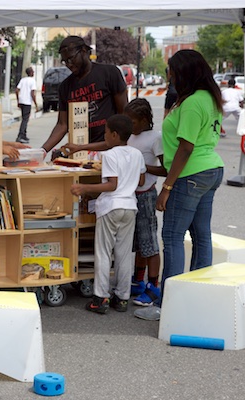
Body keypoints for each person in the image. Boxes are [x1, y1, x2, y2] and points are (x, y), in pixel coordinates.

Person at [135, 49, 224, 321]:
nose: (169, 75)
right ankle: (198, 298)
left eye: (171, 70)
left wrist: (167, 187)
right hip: (210, 169)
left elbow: (186, 147)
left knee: (172, 237)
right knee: (201, 235)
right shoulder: (208, 97)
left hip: (191, 173)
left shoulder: (195, 102)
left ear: (185, 72)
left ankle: (169, 306)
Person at [70, 114, 145, 314]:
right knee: (123, 254)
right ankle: (122, 298)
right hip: (130, 206)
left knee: (103, 253)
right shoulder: (137, 154)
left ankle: (100, 298)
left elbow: (112, 185)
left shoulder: (110, 155)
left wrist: (84, 188)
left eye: (105, 133)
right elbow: (140, 180)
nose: (104, 137)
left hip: (111, 206)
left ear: (114, 134)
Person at [41, 35, 128, 155]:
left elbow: (123, 114)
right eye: (65, 61)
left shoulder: (110, 73)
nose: (69, 64)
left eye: (71, 59)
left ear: (83, 51)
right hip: (79, 152)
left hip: (110, 151)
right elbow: (62, 124)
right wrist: (42, 150)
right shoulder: (65, 87)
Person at [123, 98, 167, 306]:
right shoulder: (130, 137)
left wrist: (142, 167)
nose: (129, 125)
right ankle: (138, 280)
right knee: (139, 242)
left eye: (132, 122)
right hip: (131, 194)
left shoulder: (155, 138)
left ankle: (153, 286)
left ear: (144, 120)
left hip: (146, 194)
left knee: (149, 241)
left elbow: (165, 169)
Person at [15, 67, 38, 144]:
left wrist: (18, 100)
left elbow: (16, 90)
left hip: (21, 101)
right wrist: (36, 104)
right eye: (33, 71)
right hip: (27, 102)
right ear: (31, 73)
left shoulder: (23, 80)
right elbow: (32, 94)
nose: (33, 73)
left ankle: (24, 135)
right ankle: (20, 136)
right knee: (25, 119)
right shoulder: (32, 81)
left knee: (24, 118)